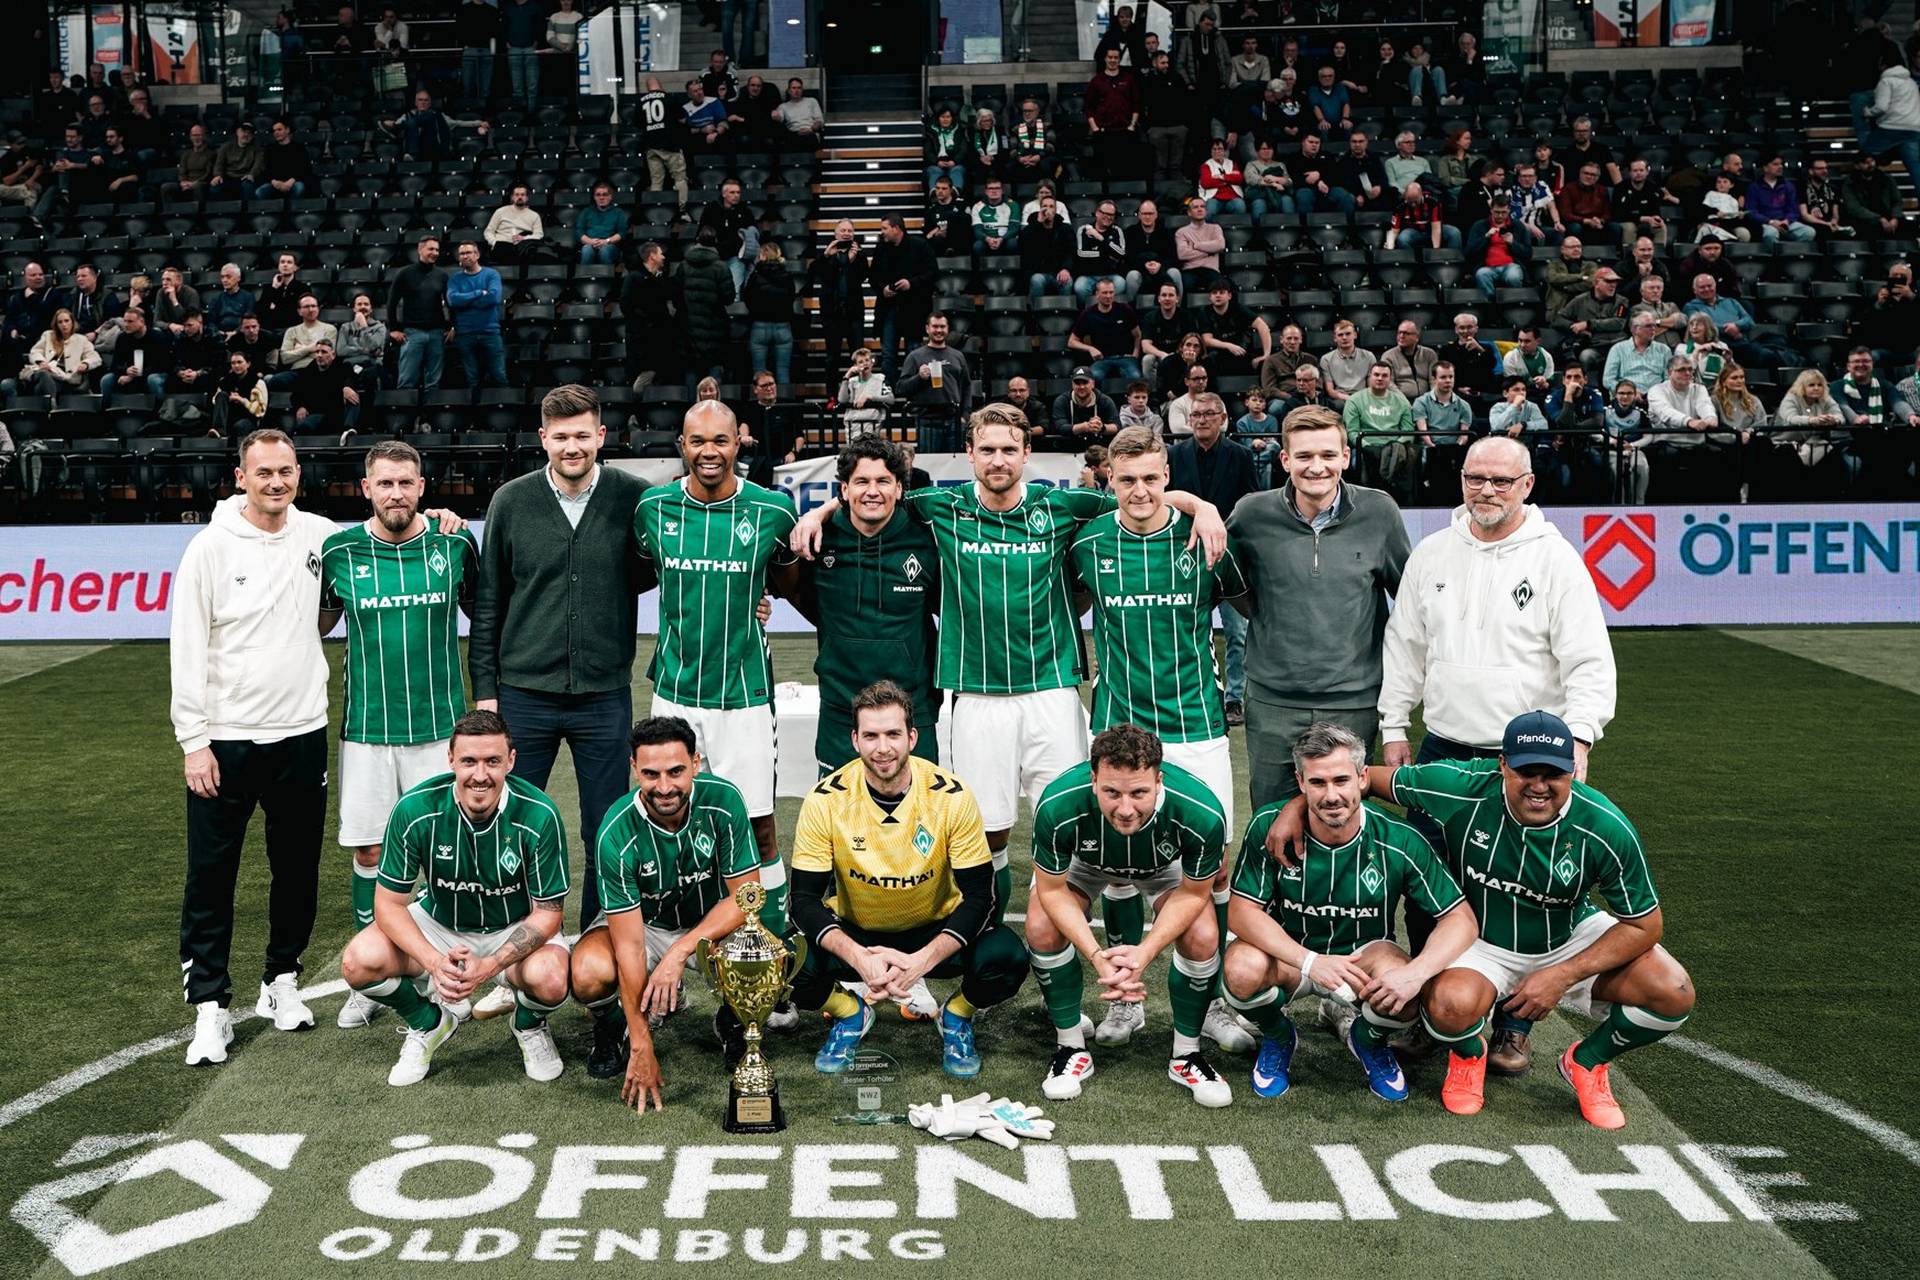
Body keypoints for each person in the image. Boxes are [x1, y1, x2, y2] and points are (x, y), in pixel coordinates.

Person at [790, 404, 1226, 917]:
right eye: (988, 450)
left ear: (1027, 454)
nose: (999, 460)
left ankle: (1082, 944)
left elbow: (1139, 497)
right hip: (977, 696)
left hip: (1052, 692)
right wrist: (817, 512)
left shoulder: (1063, 506)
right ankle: (987, 930)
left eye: (1009, 450)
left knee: (1078, 821)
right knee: (986, 828)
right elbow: (871, 496)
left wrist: (1203, 506)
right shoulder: (940, 507)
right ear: (970, 454)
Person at [1278, 711, 1696, 1128]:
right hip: (1483, 942)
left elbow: (1645, 924)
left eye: (1553, 773)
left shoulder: (1605, 826)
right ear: (1502, 765)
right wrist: (1298, 806)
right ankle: (1469, 1054)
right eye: (1526, 771)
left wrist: (1562, 975)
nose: (1539, 785)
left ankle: (1586, 1062)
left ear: (1573, 770)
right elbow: (1363, 779)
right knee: (1445, 1004)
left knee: (1673, 991)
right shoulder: (1460, 788)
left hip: (1568, 936)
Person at [1376, 432, 1616, 1067]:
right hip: (1444, 746)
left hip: (1525, 758)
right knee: (1429, 885)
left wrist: (1582, 733)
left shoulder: (1556, 560)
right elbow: (1405, 646)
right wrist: (1395, 727)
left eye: (1500, 481)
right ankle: (1436, 1013)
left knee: (1519, 890)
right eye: (1475, 478)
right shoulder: (1432, 553)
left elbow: (1590, 660)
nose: (1485, 491)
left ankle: (1512, 1028)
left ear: (1527, 486)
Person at [171, 431, 335, 1066]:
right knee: (212, 876)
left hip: (301, 732)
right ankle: (210, 1007)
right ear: (240, 477)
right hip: (226, 742)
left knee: (295, 868)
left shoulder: (321, 535)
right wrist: (194, 743)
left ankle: (281, 982)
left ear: (299, 474)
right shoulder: (208, 549)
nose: (276, 482)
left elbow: (383, 536)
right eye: (263, 472)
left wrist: (441, 516)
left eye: (286, 471)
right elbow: (186, 648)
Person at [471, 386, 650, 935]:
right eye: (560, 437)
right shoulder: (511, 500)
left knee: (606, 830)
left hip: (603, 696)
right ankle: (513, 954)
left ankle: (601, 953)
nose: (572, 447)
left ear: (600, 436)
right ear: (543, 438)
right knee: (512, 825)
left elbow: (669, 570)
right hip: (524, 694)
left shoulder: (634, 497)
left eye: (582, 436)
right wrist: (485, 688)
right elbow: (489, 602)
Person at [1224, 721, 1477, 1101]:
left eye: (1341, 780)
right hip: (1294, 957)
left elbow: (1461, 919)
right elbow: (1241, 911)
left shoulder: (1400, 839)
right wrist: (1311, 962)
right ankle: (1279, 1037)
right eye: (1318, 783)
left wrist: (1415, 974)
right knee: (1240, 970)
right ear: (1300, 781)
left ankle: (1367, 1040)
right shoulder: (1270, 827)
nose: (1331, 795)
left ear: (1362, 778)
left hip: (1364, 963)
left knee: (1408, 992)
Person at [789, 681, 1029, 1078]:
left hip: (934, 932)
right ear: (854, 740)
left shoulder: (952, 796)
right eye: (871, 735)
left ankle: (956, 1014)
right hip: (857, 932)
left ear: (912, 737)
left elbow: (979, 898)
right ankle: (851, 1012)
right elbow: (804, 901)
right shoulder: (825, 799)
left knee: (1006, 957)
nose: (882, 748)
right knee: (786, 960)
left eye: (893, 734)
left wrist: (921, 962)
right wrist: (860, 958)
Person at [318, 441, 479, 1029]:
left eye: (406, 483)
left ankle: (449, 969)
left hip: (440, 730)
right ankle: (378, 973)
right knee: (370, 850)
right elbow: (314, 621)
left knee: (444, 855)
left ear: (422, 486)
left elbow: (483, 616)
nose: (396, 494)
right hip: (366, 729)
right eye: (384, 483)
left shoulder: (454, 543)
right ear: (366, 489)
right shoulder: (338, 551)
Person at [633, 400, 799, 931]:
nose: (709, 452)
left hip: (745, 697)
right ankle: (668, 930)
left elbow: (790, 582)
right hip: (675, 695)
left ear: (738, 444)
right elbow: (634, 573)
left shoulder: (772, 511)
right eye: (698, 441)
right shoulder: (653, 509)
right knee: (663, 815)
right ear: (682, 446)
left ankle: (768, 948)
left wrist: (760, 599)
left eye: (720, 441)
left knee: (759, 825)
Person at [338, 710, 571, 1087]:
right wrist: (434, 963)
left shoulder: (540, 814)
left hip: (513, 924)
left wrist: (490, 965)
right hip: (440, 925)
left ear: (511, 760)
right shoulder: (415, 809)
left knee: (552, 978)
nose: (480, 775)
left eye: (493, 761)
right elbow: (388, 905)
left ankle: (529, 1025)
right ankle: (428, 1023)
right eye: (469, 761)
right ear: (450, 760)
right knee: (358, 961)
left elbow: (548, 914)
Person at [1027, 725, 1235, 1106]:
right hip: (1086, 863)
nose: (1125, 808)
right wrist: (1096, 955)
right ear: (1093, 780)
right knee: (1041, 924)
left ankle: (1186, 1055)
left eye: (1139, 792)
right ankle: (1070, 1047)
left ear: (1159, 780)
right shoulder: (1058, 804)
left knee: (1203, 934)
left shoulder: (1200, 810)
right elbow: (1053, 891)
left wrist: (1144, 952)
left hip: (1162, 865)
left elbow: (1193, 894)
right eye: (1111, 792)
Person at [568, 716, 774, 1093]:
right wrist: (641, 1041)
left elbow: (746, 897)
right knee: (587, 972)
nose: (664, 787)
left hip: (706, 925)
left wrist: (678, 952)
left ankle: (732, 1021)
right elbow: (630, 945)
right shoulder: (615, 831)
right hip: (641, 926)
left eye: (676, 771)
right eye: (650, 774)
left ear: (696, 763)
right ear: (634, 769)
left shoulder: (724, 802)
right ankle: (612, 1024)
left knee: (759, 954)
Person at [1227, 405, 1409, 808]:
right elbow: (1231, 586)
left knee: (1340, 823)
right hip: (1272, 702)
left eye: (1328, 455)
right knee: (1270, 823)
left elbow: (1410, 602)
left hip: (1354, 703)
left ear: (1346, 457)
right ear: (1285, 459)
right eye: (1305, 456)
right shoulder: (1250, 515)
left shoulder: (1380, 512)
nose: (1317, 467)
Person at [789, 438, 940, 779]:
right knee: (838, 824)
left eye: (883, 481)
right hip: (840, 711)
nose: (873, 491)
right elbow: (777, 586)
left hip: (912, 710)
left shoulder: (926, 538)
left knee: (918, 824)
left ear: (901, 488)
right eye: (861, 482)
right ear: (844, 489)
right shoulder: (818, 537)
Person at [1166, 403, 1258, 729]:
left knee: (1237, 634)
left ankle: (1234, 699)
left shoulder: (1242, 456)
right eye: (1197, 415)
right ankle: (1194, 695)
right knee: (1189, 632)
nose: (1202, 420)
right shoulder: (1174, 456)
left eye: (1209, 414)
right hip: (1186, 559)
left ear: (1223, 418)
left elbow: (1251, 505)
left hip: (1229, 558)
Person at [894, 312, 971, 453]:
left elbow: (966, 386)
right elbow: (900, 388)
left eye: (942, 327)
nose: (939, 330)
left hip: (954, 420)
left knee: (955, 468)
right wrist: (919, 377)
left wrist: (965, 415)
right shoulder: (915, 356)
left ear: (947, 329)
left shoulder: (957, 356)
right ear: (927, 329)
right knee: (931, 465)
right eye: (935, 326)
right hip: (927, 421)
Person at [871, 214, 935, 381]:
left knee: (913, 354)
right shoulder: (880, 249)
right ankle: (888, 397)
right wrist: (882, 289)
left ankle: (912, 398)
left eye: (884, 228)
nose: (881, 232)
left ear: (896, 228)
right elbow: (872, 278)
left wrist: (911, 283)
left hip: (914, 309)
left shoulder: (920, 245)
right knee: (888, 356)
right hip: (888, 309)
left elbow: (932, 273)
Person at [1685, 272, 1796, 368]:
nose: (1707, 289)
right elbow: (1701, 326)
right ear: (1695, 290)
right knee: (1765, 354)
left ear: (1715, 286)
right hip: (1720, 343)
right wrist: (1729, 329)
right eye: (1702, 287)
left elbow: (1749, 321)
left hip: (1741, 339)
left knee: (1778, 340)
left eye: (1709, 286)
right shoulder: (1691, 307)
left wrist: (1736, 326)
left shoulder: (1731, 302)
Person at [386, 235, 448, 392]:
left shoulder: (442, 276)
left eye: (437, 250)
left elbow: (450, 303)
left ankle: (430, 415)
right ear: (420, 250)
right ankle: (405, 415)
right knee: (407, 380)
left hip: (437, 333)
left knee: (434, 383)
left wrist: (452, 326)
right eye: (431, 249)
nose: (435, 252)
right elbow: (391, 303)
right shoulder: (404, 274)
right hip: (413, 333)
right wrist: (393, 328)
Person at [809, 219, 867, 380]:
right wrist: (827, 255)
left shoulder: (860, 255)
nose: (847, 234)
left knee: (858, 357)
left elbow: (863, 277)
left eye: (850, 231)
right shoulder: (827, 254)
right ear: (835, 233)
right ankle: (832, 397)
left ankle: (859, 394)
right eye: (843, 230)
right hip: (832, 314)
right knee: (832, 357)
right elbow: (814, 273)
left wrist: (852, 260)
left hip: (853, 313)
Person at [447, 240, 506, 388]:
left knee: (498, 374)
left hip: (490, 332)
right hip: (465, 334)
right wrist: (478, 293)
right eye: (462, 254)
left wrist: (465, 300)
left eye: (468, 252)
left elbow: (494, 297)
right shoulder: (455, 279)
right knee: (471, 378)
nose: (465, 256)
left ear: (477, 254)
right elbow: (453, 300)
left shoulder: (491, 274)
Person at [6, 307, 98, 397]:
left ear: (72, 322)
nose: (64, 325)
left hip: (66, 378)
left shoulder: (81, 340)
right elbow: (35, 351)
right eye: (60, 322)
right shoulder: (48, 335)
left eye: (66, 321)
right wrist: (41, 362)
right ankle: (52, 405)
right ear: (56, 325)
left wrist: (85, 364)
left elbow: (95, 358)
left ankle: (47, 406)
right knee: (44, 375)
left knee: (40, 387)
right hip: (46, 371)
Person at [1085, 46, 1145, 181]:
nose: (1113, 60)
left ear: (1119, 59)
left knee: (1124, 167)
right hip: (1103, 131)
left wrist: (1132, 125)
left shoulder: (1128, 79)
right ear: (1105, 59)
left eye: (1116, 58)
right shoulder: (1097, 80)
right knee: (1102, 167)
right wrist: (1094, 128)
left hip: (1124, 130)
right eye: (1110, 57)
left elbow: (1136, 103)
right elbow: (1088, 107)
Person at [742, 243, 796, 387]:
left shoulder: (755, 276)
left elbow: (747, 299)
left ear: (763, 255)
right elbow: (791, 298)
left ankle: (760, 406)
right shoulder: (787, 276)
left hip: (760, 326)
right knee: (783, 371)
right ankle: (785, 406)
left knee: (759, 372)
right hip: (783, 326)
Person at [1069, 278, 1142, 381]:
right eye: (1105, 293)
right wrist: (1090, 348)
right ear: (1097, 294)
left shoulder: (1125, 309)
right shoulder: (1088, 314)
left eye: (1111, 292)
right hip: (1102, 359)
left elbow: (1137, 335)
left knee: (1135, 377)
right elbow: (1072, 342)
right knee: (1093, 378)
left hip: (1125, 358)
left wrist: (1135, 354)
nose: (1108, 296)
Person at [291, 341, 361, 438]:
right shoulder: (308, 371)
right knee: (303, 427)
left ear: (333, 355)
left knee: (353, 395)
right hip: (317, 413)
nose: (319, 355)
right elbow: (296, 393)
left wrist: (347, 386)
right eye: (317, 352)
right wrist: (300, 406)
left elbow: (351, 377)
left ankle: (348, 431)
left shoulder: (343, 367)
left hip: (337, 414)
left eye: (324, 352)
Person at [1073, 199, 1134, 306]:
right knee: (1079, 287)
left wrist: (1100, 238)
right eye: (1104, 213)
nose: (1108, 217)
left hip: (1111, 275)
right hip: (1088, 275)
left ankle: (1108, 311)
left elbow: (1121, 254)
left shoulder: (1117, 231)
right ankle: (1089, 313)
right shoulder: (1083, 230)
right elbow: (1081, 254)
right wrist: (1107, 253)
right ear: (1097, 213)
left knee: (1121, 284)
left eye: (1111, 214)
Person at [1021, 191, 1076, 305]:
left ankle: (1063, 314)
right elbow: (1023, 244)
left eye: (1051, 206)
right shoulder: (1032, 227)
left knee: (1067, 281)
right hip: (1038, 272)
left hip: (1058, 271)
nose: (1048, 209)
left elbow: (1071, 251)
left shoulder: (1065, 229)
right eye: (1044, 206)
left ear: (1055, 210)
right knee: (1037, 280)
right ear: (1040, 209)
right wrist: (1038, 223)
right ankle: (1034, 315)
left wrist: (1065, 268)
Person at [1468, 204, 1527, 301]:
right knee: (1481, 274)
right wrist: (1486, 237)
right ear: (1491, 210)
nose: (1500, 216)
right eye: (1497, 212)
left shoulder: (1517, 226)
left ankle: (1514, 304)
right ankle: (1491, 307)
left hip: (1510, 265)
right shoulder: (1479, 226)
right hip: (1487, 266)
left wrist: (1513, 243)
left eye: (1503, 212)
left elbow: (1527, 253)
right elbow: (1469, 252)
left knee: (1513, 276)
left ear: (1509, 211)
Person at [485, 184, 550, 267]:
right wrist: (494, 242)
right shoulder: (500, 211)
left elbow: (539, 235)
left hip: (522, 247)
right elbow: (488, 231)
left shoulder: (534, 215)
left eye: (522, 195)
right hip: (502, 245)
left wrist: (524, 238)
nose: (520, 197)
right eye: (517, 195)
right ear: (512, 197)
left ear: (527, 198)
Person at [1052, 367, 1120, 441]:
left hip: (1098, 446)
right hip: (1069, 447)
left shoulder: (1105, 401)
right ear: (1072, 384)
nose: (1081, 387)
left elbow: (1116, 426)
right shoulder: (1062, 401)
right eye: (1077, 383)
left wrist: (1102, 427)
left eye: (1085, 382)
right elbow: (1060, 427)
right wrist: (1085, 427)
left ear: (1093, 384)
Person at [212, 349, 268, 437]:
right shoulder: (224, 380)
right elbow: (215, 401)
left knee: (240, 426)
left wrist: (242, 401)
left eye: (239, 362)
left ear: (248, 364)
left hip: (248, 419)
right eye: (233, 363)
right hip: (228, 417)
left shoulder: (257, 382)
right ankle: (218, 431)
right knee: (222, 395)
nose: (236, 365)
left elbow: (259, 411)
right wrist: (229, 399)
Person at [1175, 197, 1227, 291]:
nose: (1200, 209)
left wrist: (1196, 246)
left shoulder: (1215, 228)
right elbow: (1182, 254)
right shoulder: (1181, 232)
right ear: (1189, 213)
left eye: (1202, 207)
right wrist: (1209, 252)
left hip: (1211, 270)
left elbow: (1220, 245)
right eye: (1195, 207)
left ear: (1206, 211)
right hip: (1190, 270)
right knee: (1185, 285)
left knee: (1222, 287)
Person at [255, 118, 314, 201]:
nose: (276, 133)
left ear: (287, 130)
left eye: (279, 129)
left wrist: (290, 182)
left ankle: (292, 212)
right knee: (260, 192)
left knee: (299, 188)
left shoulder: (299, 148)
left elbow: (304, 169)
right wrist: (274, 182)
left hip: (293, 182)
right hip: (275, 183)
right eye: (274, 130)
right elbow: (266, 169)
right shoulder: (270, 150)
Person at [1389, 180, 1457, 249]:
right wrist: (1389, 244)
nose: (1413, 205)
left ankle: (1455, 258)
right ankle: (1411, 259)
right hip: (1414, 231)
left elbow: (1436, 228)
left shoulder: (1432, 202)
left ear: (1421, 195)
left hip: (1431, 229)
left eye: (1415, 201)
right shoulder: (1400, 206)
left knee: (1454, 233)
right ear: (1405, 196)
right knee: (1403, 238)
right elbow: (1394, 230)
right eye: (1410, 201)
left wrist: (1436, 251)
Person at [457, 0, 500, 104]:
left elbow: (496, 31)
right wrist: (464, 44)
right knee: (467, 85)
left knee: (485, 87)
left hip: (486, 50)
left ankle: (483, 112)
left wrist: (492, 48)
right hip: (470, 50)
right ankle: (468, 111)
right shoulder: (464, 9)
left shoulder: (492, 10)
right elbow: (458, 28)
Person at [574, 183, 627, 267]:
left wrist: (606, 241)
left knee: (604, 251)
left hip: (610, 245)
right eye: (598, 195)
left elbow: (622, 232)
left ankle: (606, 278)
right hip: (590, 243)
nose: (601, 197)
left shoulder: (618, 212)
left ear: (610, 197)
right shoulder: (586, 212)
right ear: (594, 197)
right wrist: (590, 241)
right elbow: (578, 231)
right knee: (586, 250)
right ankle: (585, 278)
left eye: (605, 195)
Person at [773, 77, 825, 149]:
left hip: (810, 133)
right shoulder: (783, 106)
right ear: (789, 90)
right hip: (793, 134)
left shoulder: (812, 101)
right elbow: (779, 118)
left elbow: (819, 121)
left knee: (809, 138)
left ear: (802, 90)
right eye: (794, 88)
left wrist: (811, 129)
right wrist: (776, 116)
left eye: (799, 88)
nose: (796, 90)